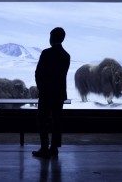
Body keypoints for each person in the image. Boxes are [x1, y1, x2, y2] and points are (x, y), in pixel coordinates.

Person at [32, 27, 70, 158]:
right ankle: (54, 148)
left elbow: (38, 73)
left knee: (42, 119)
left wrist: (41, 87)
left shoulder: (46, 53)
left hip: (46, 93)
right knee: (57, 121)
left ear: (52, 38)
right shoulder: (66, 56)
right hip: (59, 94)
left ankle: (44, 147)